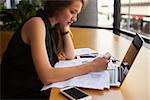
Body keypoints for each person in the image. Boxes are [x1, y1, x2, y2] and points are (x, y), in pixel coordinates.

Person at [1, 0, 111, 99]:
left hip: (36, 87)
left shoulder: (52, 26)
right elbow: (47, 76)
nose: (75, 18)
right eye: (72, 12)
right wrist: (91, 66)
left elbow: (70, 55)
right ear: (58, 5)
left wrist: (64, 28)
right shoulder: (36, 24)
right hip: (19, 92)